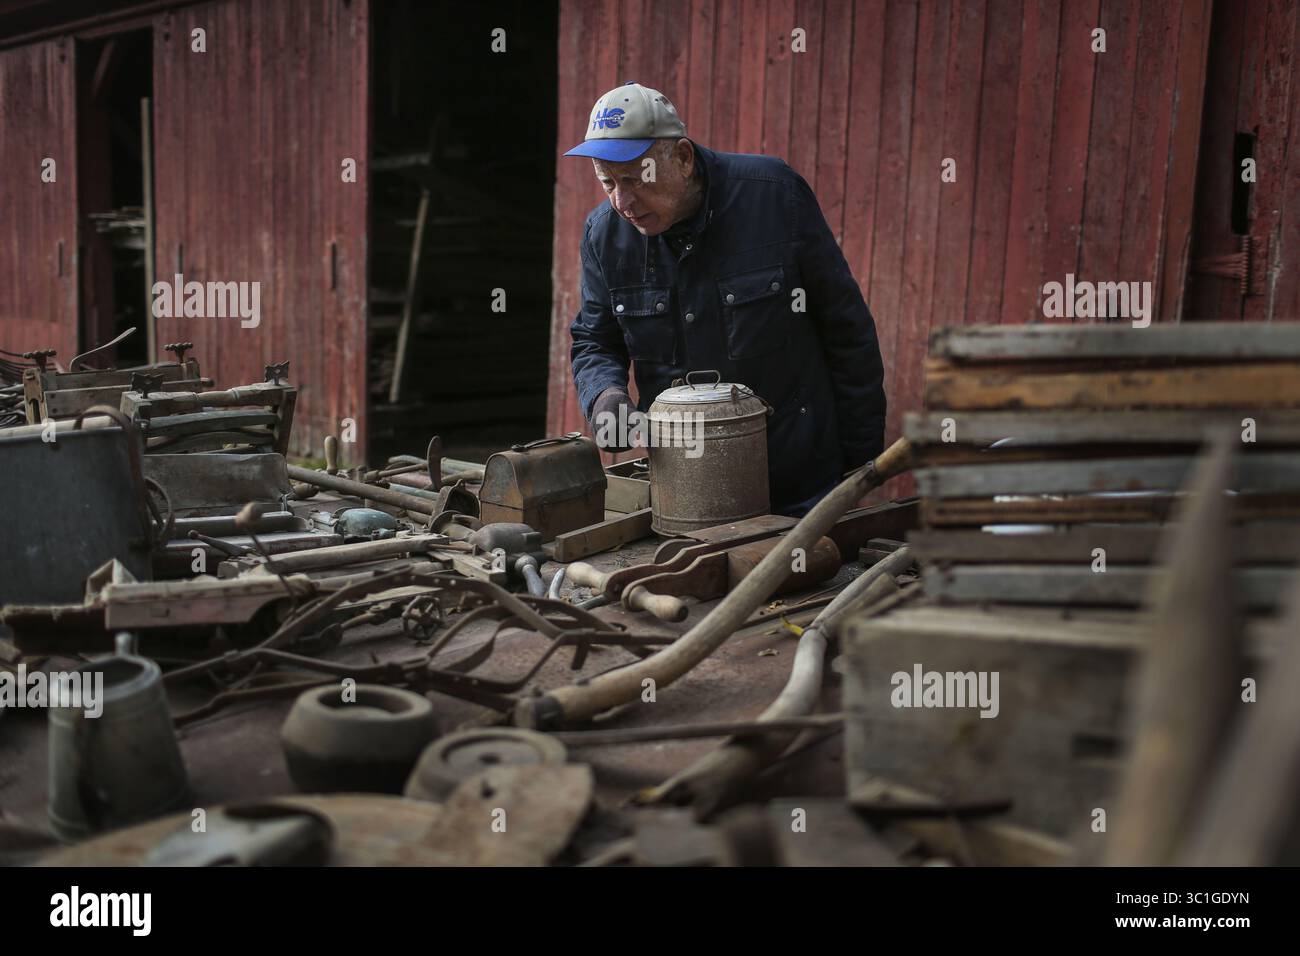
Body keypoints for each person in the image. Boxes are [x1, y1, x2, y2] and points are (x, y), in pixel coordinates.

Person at [565, 82, 886, 515]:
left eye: (634, 179)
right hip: (683, 487)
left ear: (681, 158)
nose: (622, 202)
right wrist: (605, 397)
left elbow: (846, 328)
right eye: (607, 184)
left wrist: (861, 465)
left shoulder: (775, 197)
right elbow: (595, 340)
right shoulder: (603, 236)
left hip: (800, 485)